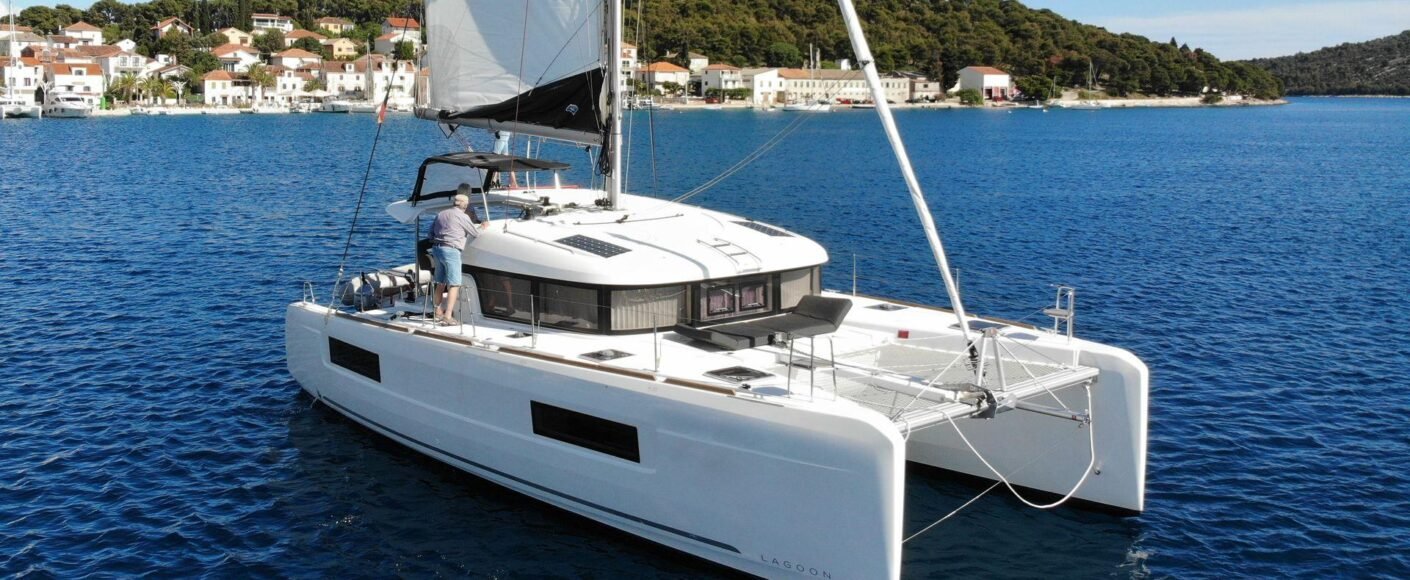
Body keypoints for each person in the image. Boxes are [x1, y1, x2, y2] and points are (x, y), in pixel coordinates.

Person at [428, 187, 486, 325]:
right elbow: (475, 233)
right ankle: (448, 316)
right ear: (465, 205)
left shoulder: (441, 214)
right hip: (451, 251)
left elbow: (430, 234)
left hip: (437, 249)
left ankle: (437, 312)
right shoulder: (463, 216)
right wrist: (483, 226)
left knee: (440, 282)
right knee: (454, 284)